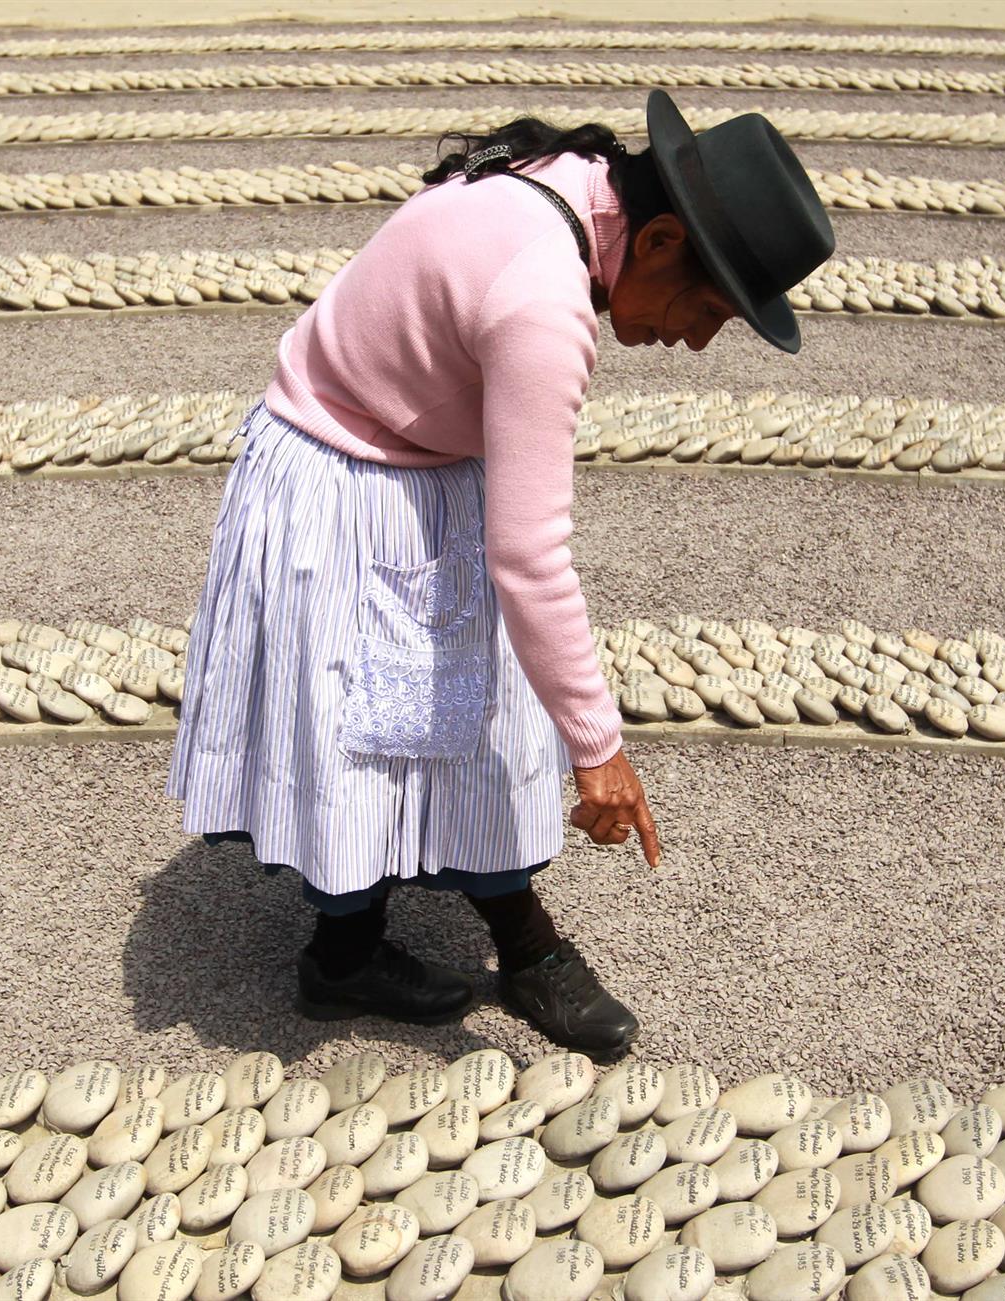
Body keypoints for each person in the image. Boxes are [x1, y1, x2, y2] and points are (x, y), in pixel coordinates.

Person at [167, 91, 834, 1060]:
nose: (696, 337)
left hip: (387, 449)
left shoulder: (560, 182)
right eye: (711, 305)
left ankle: (420, 944)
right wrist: (599, 750)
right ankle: (412, 951)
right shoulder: (543, 300)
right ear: (652, 243)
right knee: (403, 723)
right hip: (346, 470)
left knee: (444, 711)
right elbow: (532, 557)